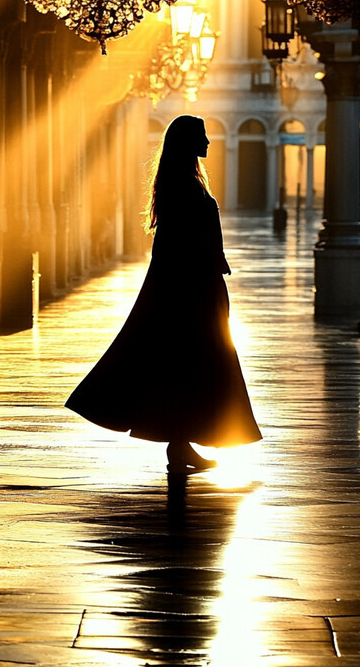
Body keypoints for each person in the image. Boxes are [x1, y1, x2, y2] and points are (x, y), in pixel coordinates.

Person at [66, 114, 261, 473]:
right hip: (191, 292)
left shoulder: (184, 182)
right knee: (190, 366)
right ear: (188, 142)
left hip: (194, 289)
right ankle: (180, 446)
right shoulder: (185, 187)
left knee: (186, 368)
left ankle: (181, 444)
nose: (208, 141)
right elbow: (179, 245)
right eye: (201, 136)